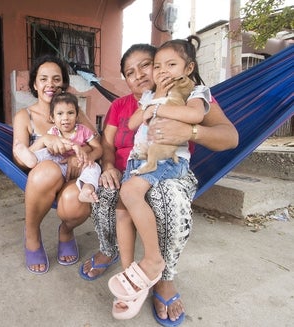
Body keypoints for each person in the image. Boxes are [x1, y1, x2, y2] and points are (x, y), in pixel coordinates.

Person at [79, 40, 238, 325]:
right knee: (109, 196)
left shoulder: (189, 91)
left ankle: (164, 277)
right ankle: (127, 268)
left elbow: (230, 137)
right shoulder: (124, 105)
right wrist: (106, 166)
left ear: (165, 66)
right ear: (125, 79)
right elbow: (108, 143)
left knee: (168, 198)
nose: (139, 75)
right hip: (131, 167)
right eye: (130, 72)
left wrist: (191, 131)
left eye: (146, 65)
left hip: (169, 166)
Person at [108, 35, 213, 320]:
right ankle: (131, 274)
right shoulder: (148, 96)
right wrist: (151, 102)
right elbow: (129, 125)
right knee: (121, 211)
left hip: (166, 160)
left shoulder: (193, 90)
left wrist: (156, 108)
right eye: (158, 66)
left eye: (169, 64)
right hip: (139, 160)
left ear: (188, 67)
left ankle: (153, 260)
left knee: (130, 194)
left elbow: (195, 117)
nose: (159, 71)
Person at [12, 55, 98, 274]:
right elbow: (18, 161)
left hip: (72, 176)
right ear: (35, 84)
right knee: (47, 170)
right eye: (43, 79)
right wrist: (43, 140)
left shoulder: (75, 114)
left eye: (56, 79)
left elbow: (96, 143)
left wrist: (77, 156)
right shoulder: (25, 116)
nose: (50, 84)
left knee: (75, 202)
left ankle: (66, 231)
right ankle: (32, 233)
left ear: (64, 83)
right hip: (43, 179)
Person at [14, 92, 102, 203]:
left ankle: (87, 188)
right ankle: (32, 158)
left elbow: (98, 148)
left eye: (70, 113)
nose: (65, 118)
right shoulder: (53, 132)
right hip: (59, 165)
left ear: (77, 116)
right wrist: (72, 146)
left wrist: (90, 158)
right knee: (46, 152)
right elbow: (51, 148)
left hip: (80, 166)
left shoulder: (83, 130)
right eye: (60, 114)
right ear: (52, 117)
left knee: (94, 168)